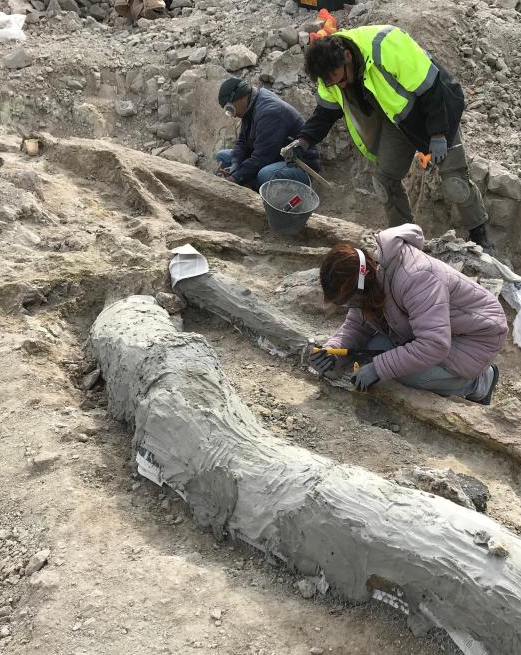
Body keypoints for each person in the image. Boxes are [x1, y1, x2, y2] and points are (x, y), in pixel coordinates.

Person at [282, 26, 489, 248]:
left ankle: (481, 239)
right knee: (385, 182)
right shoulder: (331, 75)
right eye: (333, 84)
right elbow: (325, 114)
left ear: (347, 56)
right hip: (397, 119)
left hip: (435, 109)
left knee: (455, 184)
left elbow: (431, 86)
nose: (340, 86)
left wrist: (438, 134)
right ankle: (407, 241)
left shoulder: (386, 46)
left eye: (340, 80)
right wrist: (303, 141)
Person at [310, 223, 506, 403]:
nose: (350, 307)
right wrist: (333, 351)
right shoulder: (371, 279)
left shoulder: (416, 277)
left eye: (349, 301)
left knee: (405, 373)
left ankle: (480, 383)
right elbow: (356, 326)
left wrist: (379, 368)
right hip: (442, 330)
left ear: (363, 286)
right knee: (375, 347)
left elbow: (434, 343)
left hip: (476, 336)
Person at [214, 77, 321, 190]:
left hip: (299, 165)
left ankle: (258, 189)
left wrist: (235, 178)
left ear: (241, 98)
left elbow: (261, 158)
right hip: (273, 156)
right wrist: (235, 165)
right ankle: (252, 183)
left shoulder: (269, 112)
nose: (233, 115)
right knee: (222, 156)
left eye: (230, 109)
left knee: (265, 175)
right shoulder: (250, 106)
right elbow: (242, 142)